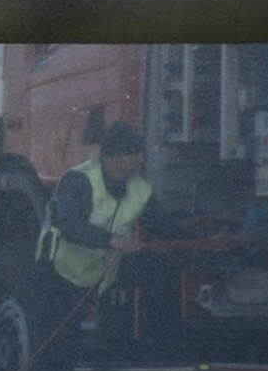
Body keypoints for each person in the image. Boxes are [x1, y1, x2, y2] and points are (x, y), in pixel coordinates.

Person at [34, 120, 198, 352]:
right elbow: (70, 224)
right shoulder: (80, 180)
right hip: (61, 276)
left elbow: (165, 227)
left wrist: (204, 239)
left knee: (160, 267)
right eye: (134, 153)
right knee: (55, 349)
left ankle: (158, 348)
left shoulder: (141, 189)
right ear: (115, 156)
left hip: (103, 277)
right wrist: (111, 240)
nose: (141, 159)